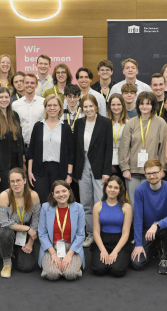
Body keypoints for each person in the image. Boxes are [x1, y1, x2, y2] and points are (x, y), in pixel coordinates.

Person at [74, 94, 113, 248]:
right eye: (85, 107)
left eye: (91, 106)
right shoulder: (78, 123)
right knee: (85, 203)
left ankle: (101, 234)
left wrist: (106, 171)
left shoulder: (105, 123)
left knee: (100, 202)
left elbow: (108, 148)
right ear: (82, 109)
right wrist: (76, 171)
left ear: (96, 107)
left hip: (99, 167)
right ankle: (90, 234)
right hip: (82, 166)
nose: (88, 109)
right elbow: (76, 148)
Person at [118, 92, 167, 206]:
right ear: (138, 105)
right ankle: (136, 224)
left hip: (154, 171)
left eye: (148, 104)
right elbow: (124, 147)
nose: (144, 106)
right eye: (142, 104)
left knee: (152, 203)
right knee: (134, 203)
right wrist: (125, 168)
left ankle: (151, 225)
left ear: (153, 105)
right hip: (133, 171)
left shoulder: (161, 123)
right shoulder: (131, 123)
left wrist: (162, 169)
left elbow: (164, 148)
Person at [131, 159, 167, 274]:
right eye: (149, 173)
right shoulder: (140, 190)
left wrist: (157, 224)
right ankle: (155, 247)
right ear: (145, 174)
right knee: (137, 264)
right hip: (148, 231)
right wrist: (138, 244)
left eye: (155, 172)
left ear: (161, 172)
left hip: (164, 228)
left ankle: (164, 257)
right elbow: (137, 219)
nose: (152, 176)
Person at [0, 167, 41, 278]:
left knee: (26, 267)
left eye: (18, 180)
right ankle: (7, 262)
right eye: (12, 181)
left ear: (24, 180)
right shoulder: (4, 196)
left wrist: (31, 242)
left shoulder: (33, 196)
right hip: (7, 230)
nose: (16, 184)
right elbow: (4, 222)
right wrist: (27, 229)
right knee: (6, 234)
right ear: (9, 182)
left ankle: (15, 251)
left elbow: (36, 221)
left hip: (26, 233)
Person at [27, 94, 73, 200]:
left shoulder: (65, 128)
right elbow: (31, 150)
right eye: (49, 105)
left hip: (59, 170)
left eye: (55, 105)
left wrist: (69, 174)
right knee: (42, 200)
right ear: (45, 108)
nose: (52, 108)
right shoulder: (38, 126)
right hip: (39, 171)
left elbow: (71, 153)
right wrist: (29, 171)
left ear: (60, 108)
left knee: (57, 200)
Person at [38, 180, 86, 280]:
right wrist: (53, 254)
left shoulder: (79, 208)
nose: (61, 194)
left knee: (70, 274)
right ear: (53, 195)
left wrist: (69, 255)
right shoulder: (45, 207)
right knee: (52, 274)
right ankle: (52, 268)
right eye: (57, 192)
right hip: (51, 247)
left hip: (72, 247)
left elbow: (81, 234)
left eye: (64, 191)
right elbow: (42, 233)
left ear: (69, 192)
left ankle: (72, 267)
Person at [90, 176, 132, 277]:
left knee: (117, 271)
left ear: (120, 190)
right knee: (99, 269)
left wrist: (115, 252)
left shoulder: (126, 207)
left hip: (119, 241)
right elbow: (95, 231)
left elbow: (126, 233)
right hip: (102, 240)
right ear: (105, 188)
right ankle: (106, 260)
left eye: (116, 188)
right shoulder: (98, 206)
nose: (112, 190)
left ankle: (117, 259)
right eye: (110, 187)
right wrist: (103, 250)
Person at [12, 73, 44, 148]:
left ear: (36, 85)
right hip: (21, 147)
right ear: (23, 84)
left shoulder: (44, 103)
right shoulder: (15, 105)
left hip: (39, 146)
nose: (29, 85)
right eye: (27, 83)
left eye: (32, 83)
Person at [107, 93, 127, 177]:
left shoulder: (128, 123)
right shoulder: (105, 123)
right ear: (109, 107)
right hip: (107, 163)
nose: (116, 107)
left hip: (123, 163)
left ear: (123, 105)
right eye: (113, 105)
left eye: (118, 104)